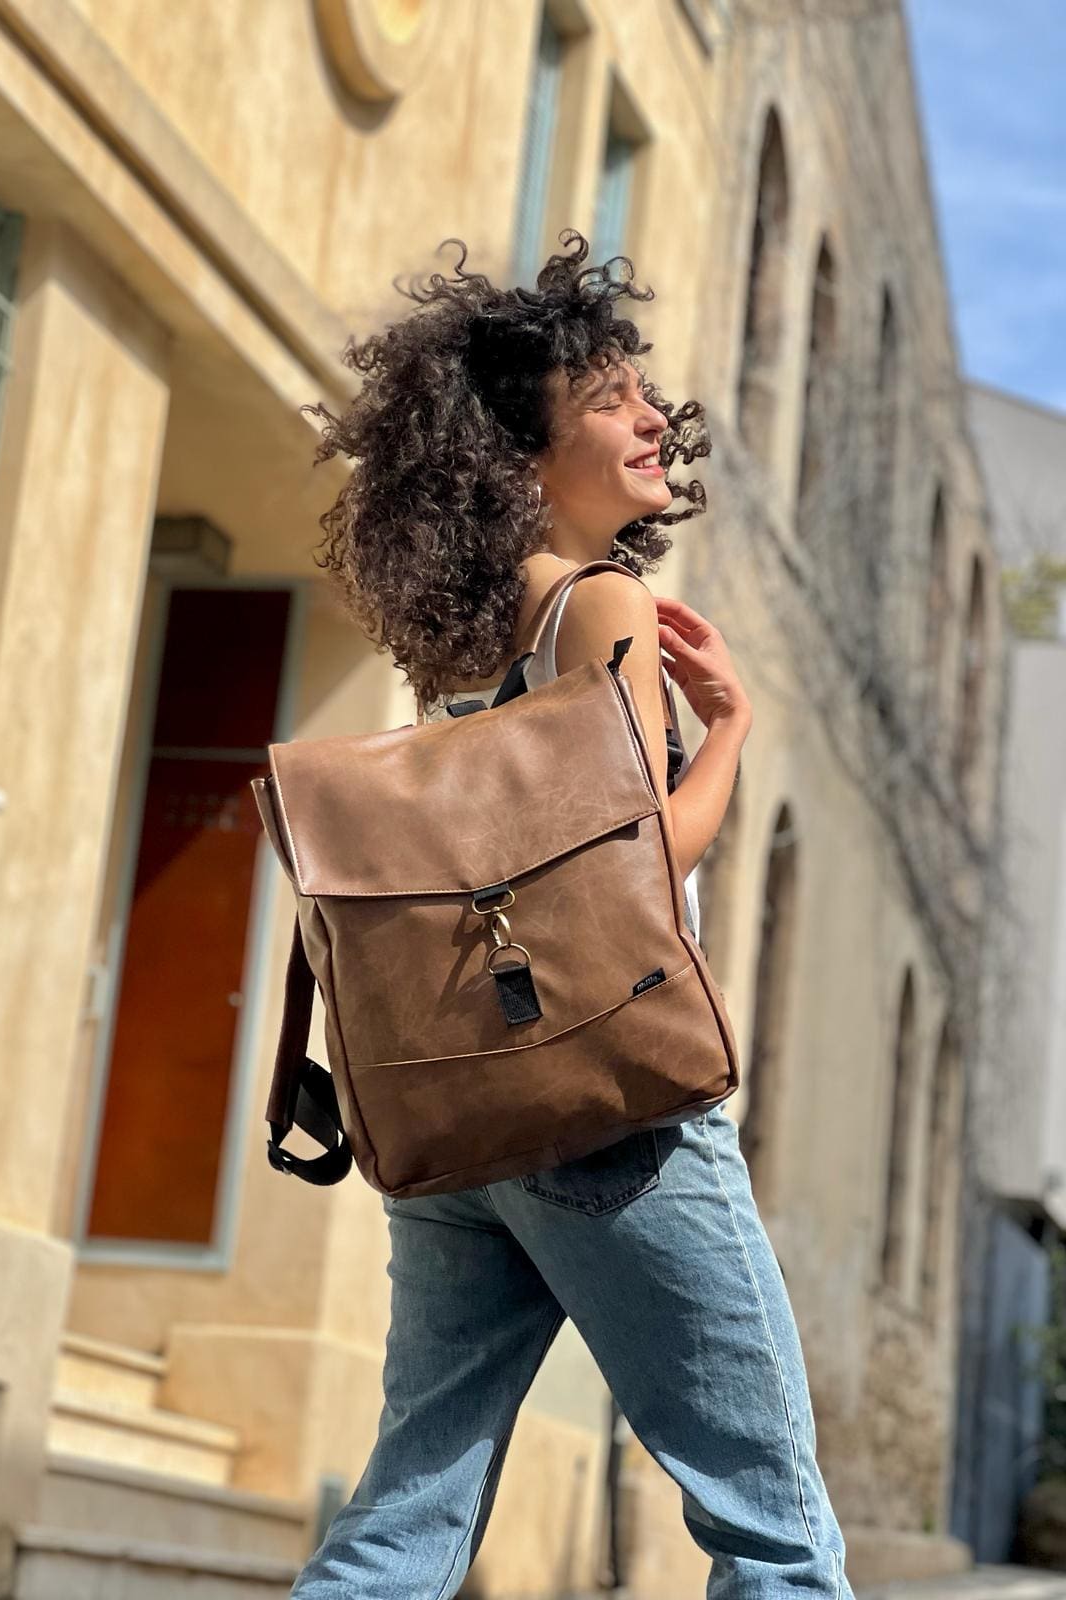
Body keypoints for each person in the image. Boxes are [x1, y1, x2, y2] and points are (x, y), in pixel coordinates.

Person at [290, 231, 851, 1599]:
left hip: (458, 1114)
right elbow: (636, 871)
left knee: (406, 1518)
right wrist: (730, 732)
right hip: (608, 1107)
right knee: (775, 1524)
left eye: (644, 392)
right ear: (524, 457)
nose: (652, 417)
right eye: (609, 399)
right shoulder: (601, 603)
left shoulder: (461, 640)